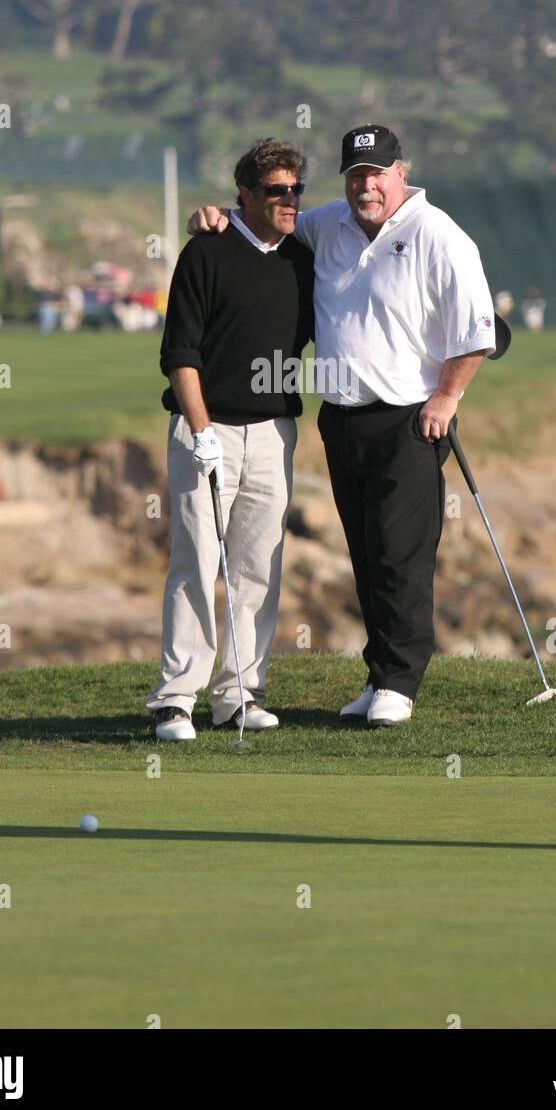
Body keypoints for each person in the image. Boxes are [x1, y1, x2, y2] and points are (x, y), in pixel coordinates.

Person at [188, 124, 497, 727]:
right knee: (366, 553)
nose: (365, 187)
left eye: (376, 174)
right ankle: (378, 677)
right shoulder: (328, 223)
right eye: (355, 176)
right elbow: (267, 221)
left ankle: (400, 684)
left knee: (401, 557)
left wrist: (445, 399)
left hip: (409, 420)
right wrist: (217, 215)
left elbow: (476, 332)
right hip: (342, 420)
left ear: (400, 173)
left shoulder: (438, 234)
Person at [146, 138, 314, 742]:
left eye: (296, 189)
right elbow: (180, 354)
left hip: (274, 432)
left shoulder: (303, 259)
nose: (290, 200)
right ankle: (175, 699)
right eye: (276, 191)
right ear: (244, 194)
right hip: (206, 428)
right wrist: (200, 431)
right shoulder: (206, 252)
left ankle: (239, 694)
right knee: (195, 560)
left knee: (258, 567)